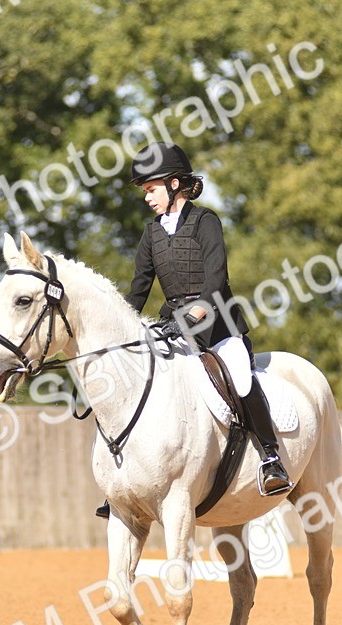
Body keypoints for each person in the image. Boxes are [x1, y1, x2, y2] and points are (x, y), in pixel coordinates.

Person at [95, 142, 292, 519]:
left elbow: (217, 278)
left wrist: (198, 309)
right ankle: (125, 481)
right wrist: (118, 334)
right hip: (172, 324)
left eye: (150, 189)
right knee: (142, 381)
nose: (147, 198)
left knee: (240, 377)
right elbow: (138, 289)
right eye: (144, 192)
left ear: (173, 184)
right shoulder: (151, 234)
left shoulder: (206, 222)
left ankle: (270, 458)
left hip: (218, 324)